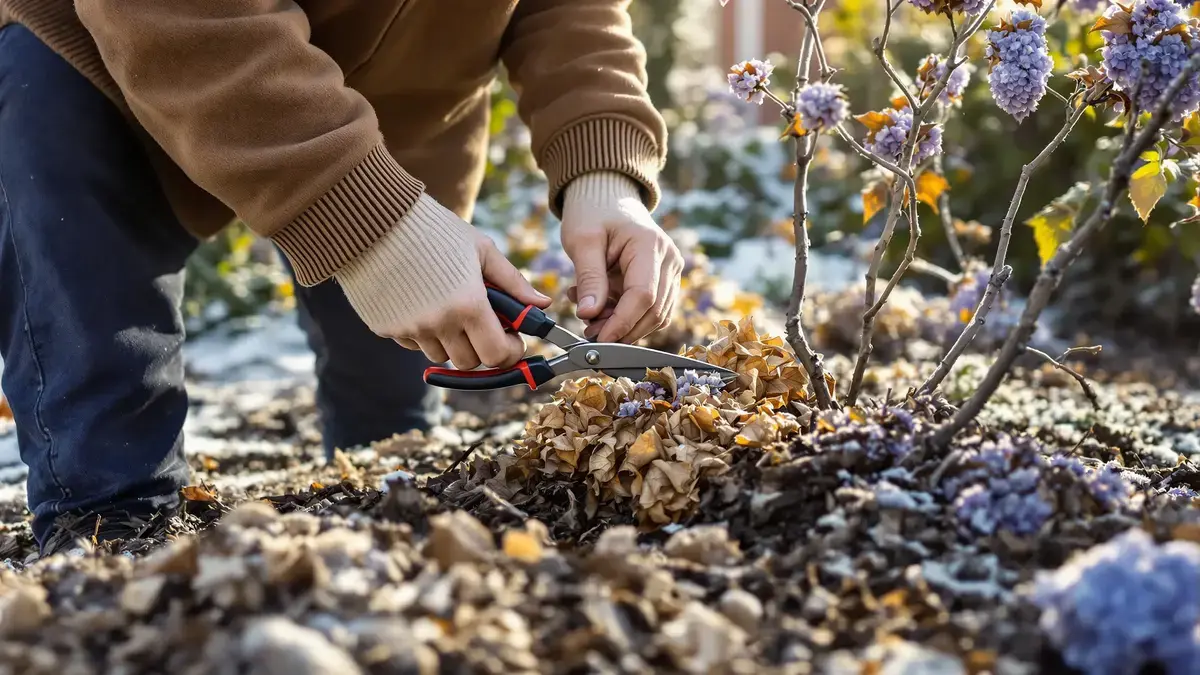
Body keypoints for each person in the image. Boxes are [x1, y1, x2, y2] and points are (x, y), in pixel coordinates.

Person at [0, 0, 682, 555]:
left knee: (390, 444)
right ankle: (110, 534)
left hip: (395, 135)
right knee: (108, 480)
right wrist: (362, 218)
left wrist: (601, 167)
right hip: (104, 64)